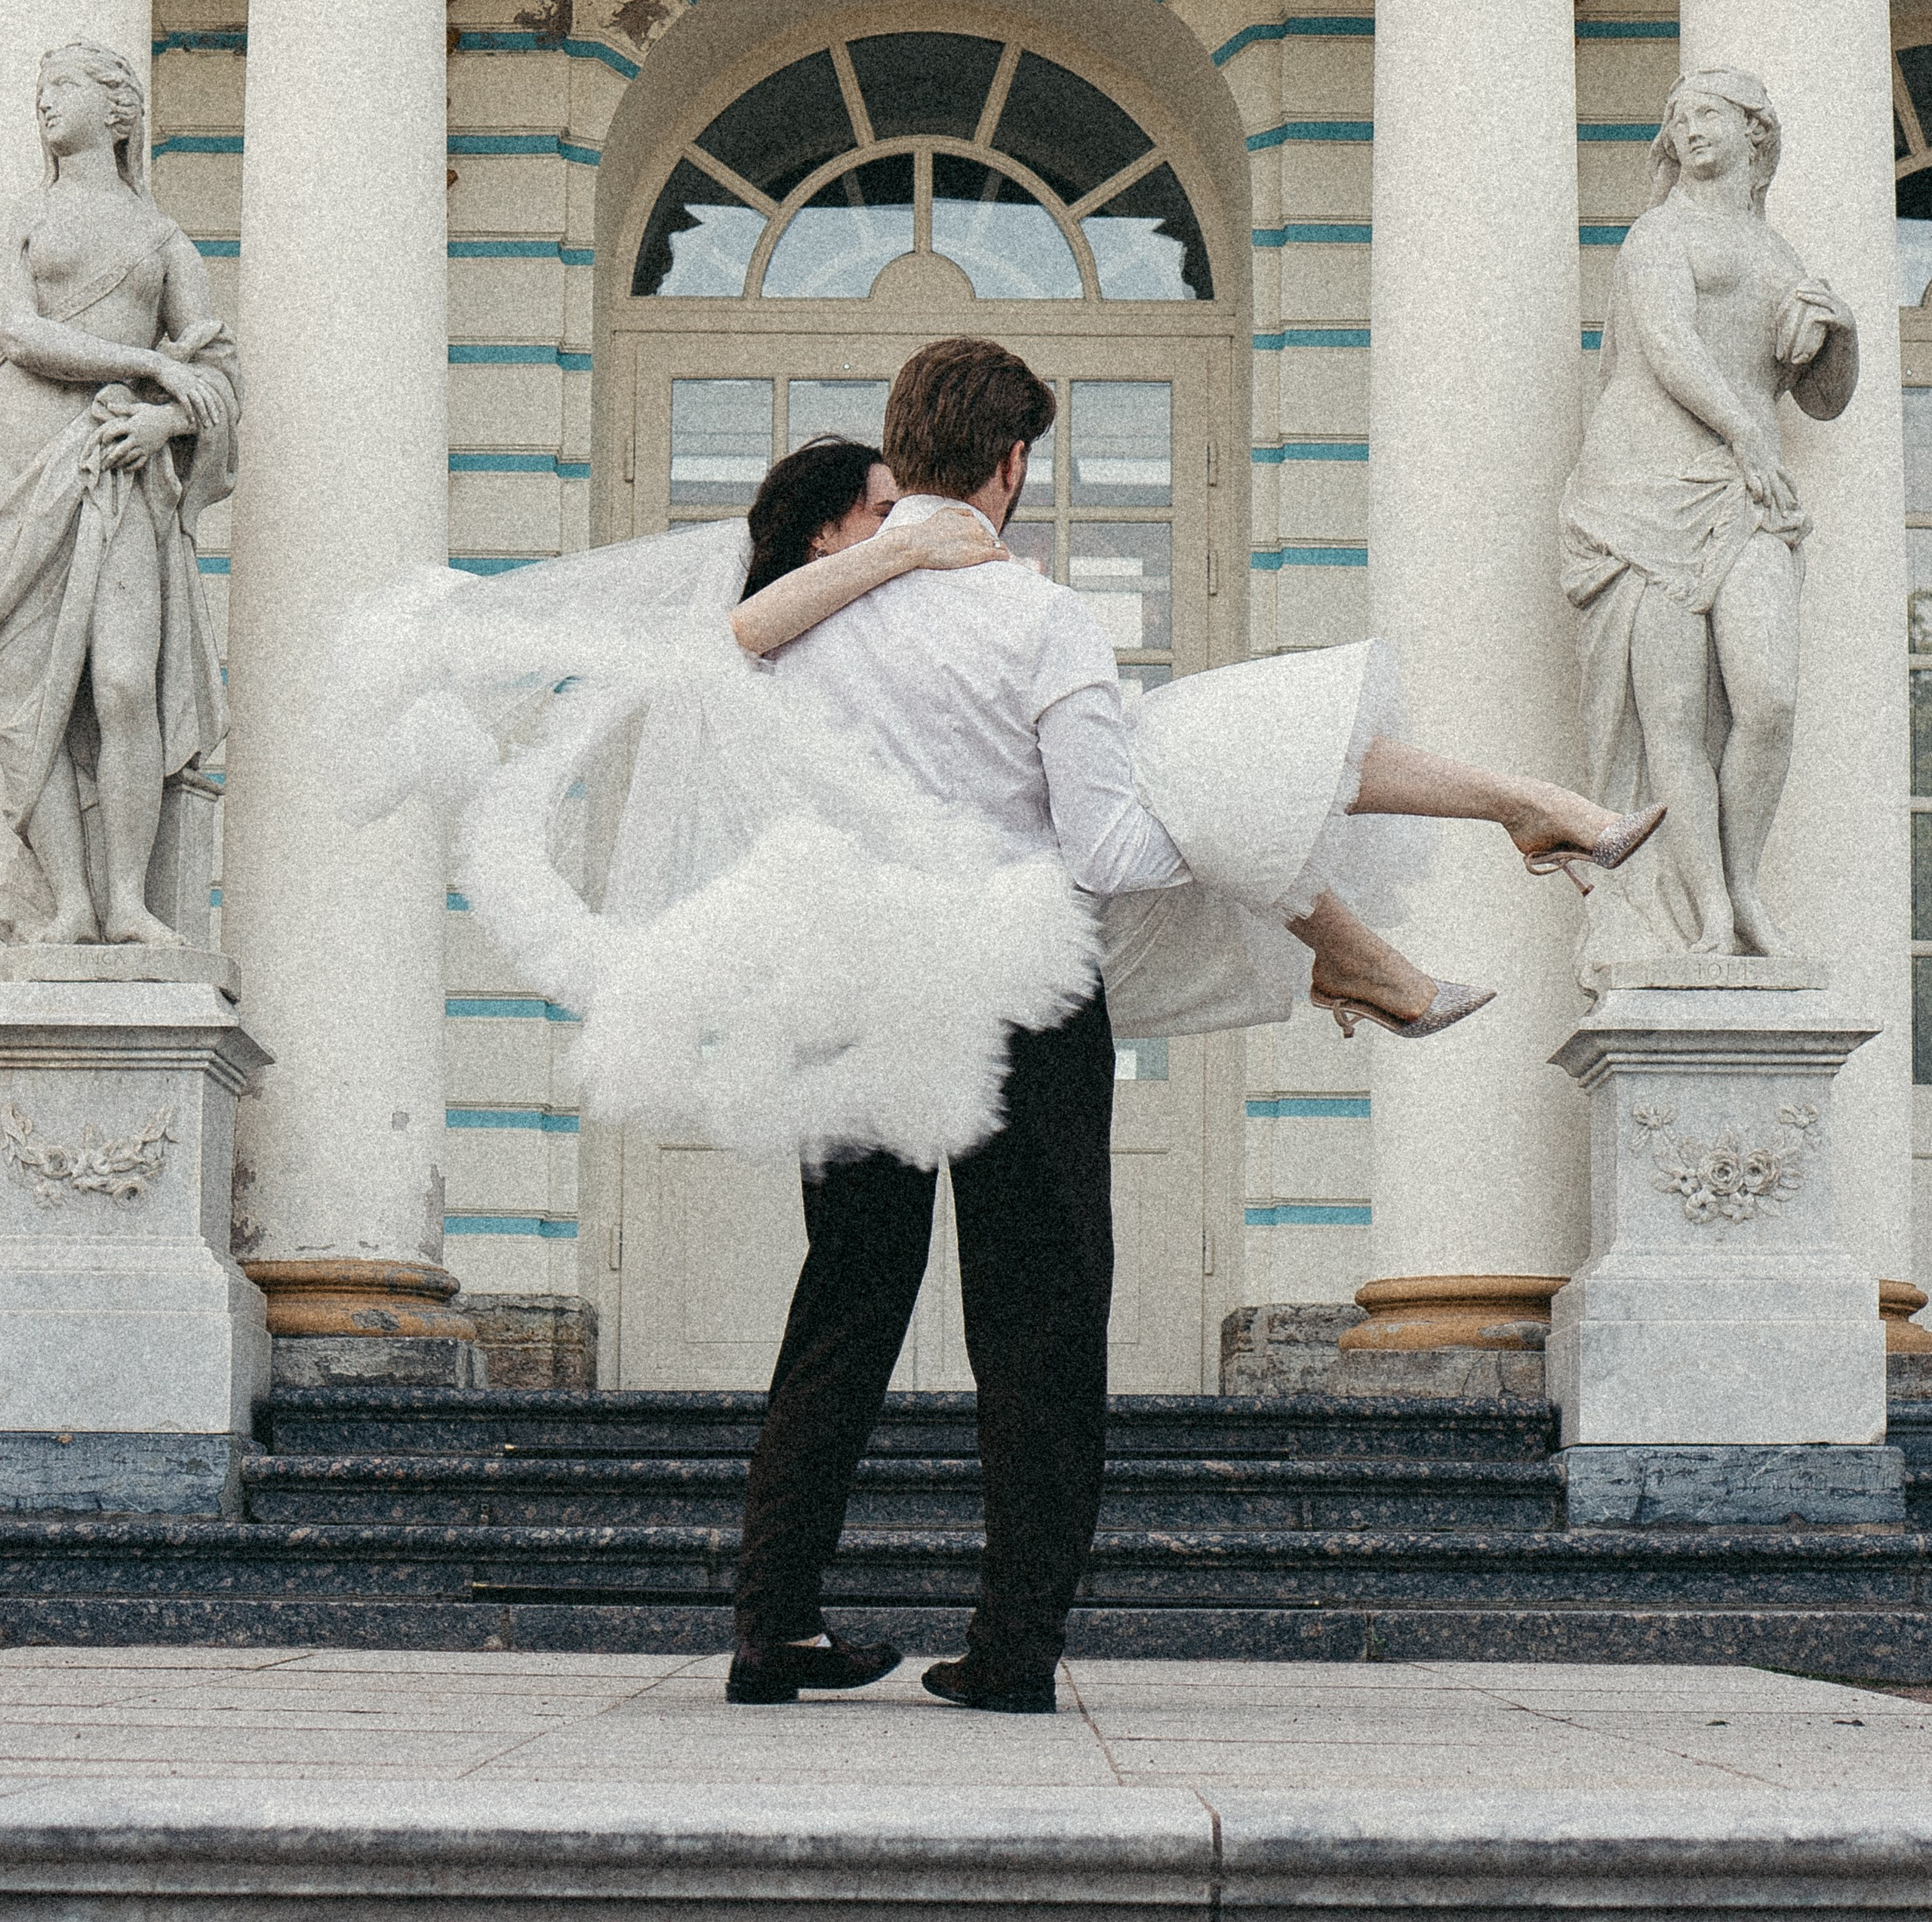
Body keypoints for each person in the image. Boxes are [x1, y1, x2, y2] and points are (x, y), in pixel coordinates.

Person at [327, 340, 1663, 1711]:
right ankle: (1016, 1645)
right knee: (1040, 1322)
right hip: (1017, 993)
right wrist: (1225, 837)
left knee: (842, 1308)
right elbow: (1105, 849)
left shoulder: (796, 618)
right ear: (1015, 464)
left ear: (901, 463)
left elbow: (720, 668)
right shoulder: (1041, 622)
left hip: (848, 993)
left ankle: (769, 1627)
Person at [1559, 69, 1855, 962]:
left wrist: (1839, 332)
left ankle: (1743, 882)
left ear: (1755, 133)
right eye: (1677, 117)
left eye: (1707, 115)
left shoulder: (1780, 257)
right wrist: (1745, 437)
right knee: (1672, 720)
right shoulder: (1659, 235)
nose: (1688, 129)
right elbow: (1667, 344)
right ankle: (1713, 914)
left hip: (1744, 494)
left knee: (1767, 699)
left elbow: (1823, 400)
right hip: (1644, 489)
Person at [0, 44, 237, 946]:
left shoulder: (162, 239)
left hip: (123, 469)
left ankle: (130, 899)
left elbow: (218, 371)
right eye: (39, 92)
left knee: (127, 684)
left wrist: (164, 425)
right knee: (31, 701)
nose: (45, 103)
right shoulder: (21, 219)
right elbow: (18, 335)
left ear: (119, 112)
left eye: (62, 87)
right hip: (24, 469)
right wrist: (145, 365)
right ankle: (68, 901)